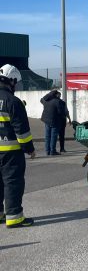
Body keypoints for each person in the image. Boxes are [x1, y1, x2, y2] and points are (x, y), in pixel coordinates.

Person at [0, 64, 35, 228]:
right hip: (10, 153)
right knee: (12, 183)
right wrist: (29, 149)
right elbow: (22, 131)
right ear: (12, 81)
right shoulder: (13, 102)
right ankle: (14, 217)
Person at [40, 89, 64, 156]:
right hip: (55, 121)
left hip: (46, 121)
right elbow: (60, 112)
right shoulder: (57, 101)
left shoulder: (46, 100)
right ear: (56, 95)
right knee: (53, 136)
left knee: (47, 136)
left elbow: (41, 99)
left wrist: (49, 94)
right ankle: (52, 151)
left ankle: (47, 151)